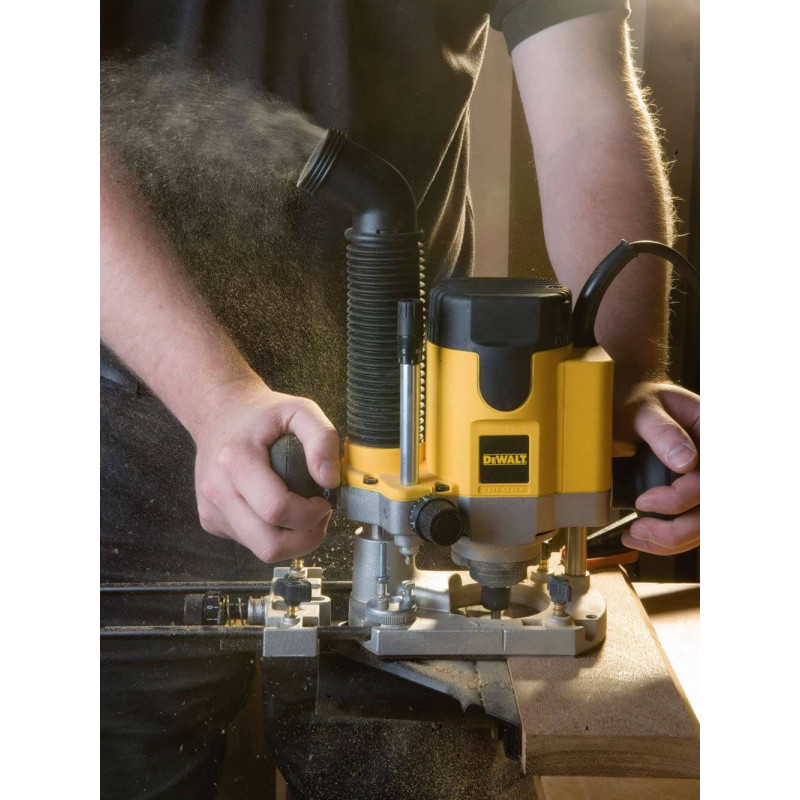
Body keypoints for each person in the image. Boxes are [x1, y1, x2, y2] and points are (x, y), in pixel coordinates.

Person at [100, 1, 700, 797]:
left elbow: (587, 117)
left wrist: (616, 383)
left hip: (422, 451)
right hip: (133, 433)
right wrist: (213, 394)